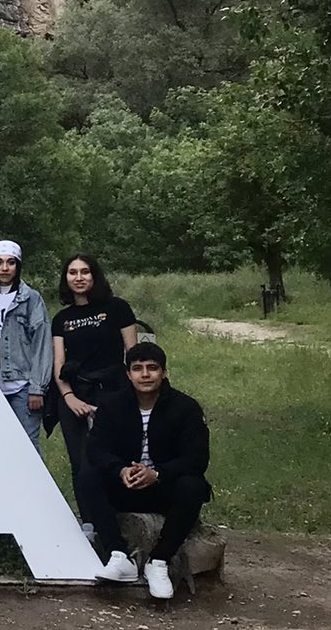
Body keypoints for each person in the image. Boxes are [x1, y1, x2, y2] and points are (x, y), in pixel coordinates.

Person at [85, 342, 211, 601]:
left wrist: (158, 474)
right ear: (128, 374)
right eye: (138, 368)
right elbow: (96, 448)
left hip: (163, 487)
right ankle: (119, 556)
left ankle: (159, 561)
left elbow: (197, 457)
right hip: (125, 486)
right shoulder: (111, 405)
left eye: (152, 368)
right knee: (88, 476)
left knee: (194, 485)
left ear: (163, 373)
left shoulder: (185, 408)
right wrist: (119, 469)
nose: (145, 375)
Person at [51, 254, 141, 534]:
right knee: (81, 462)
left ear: (95, 275)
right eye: (72, 272)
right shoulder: (61, 319)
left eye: (85, 272)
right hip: (74, 395)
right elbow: (58, 365)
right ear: (66, 278)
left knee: (114, 457)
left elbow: (133, 356)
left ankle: (119, 519)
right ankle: (89, 524)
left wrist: (126, 397)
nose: (79, 277)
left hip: (113, 393)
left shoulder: (118, 309)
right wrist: (69, 398)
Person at [0, 240, 53, 446]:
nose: (4, 268)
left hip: (22, 385)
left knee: (27, 446)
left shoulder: (30, 299)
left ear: (18, 265)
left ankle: (34, 480)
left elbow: (42, 343)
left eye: (10, 262)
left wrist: (37, 387)